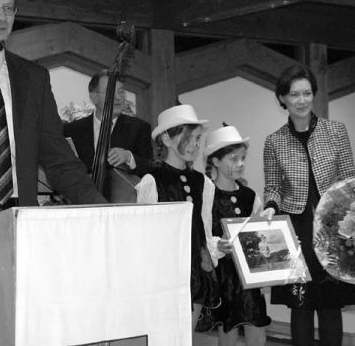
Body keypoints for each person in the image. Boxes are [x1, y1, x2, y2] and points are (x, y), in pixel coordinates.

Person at [0, 0, 106, 226]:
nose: (2, 17)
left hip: (22, 224)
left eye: (8, 8)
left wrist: (102, 208)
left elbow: (58, 158)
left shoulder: (34, 77)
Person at [262, 64, 355, 346]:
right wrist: (270, 206)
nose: (301, 100)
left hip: (334, 226)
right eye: (294, 94)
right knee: (300, 304)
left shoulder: (335, 131)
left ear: (313, 94)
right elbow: (273, 186)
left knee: (330, 304)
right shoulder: (274, 141)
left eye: (306, 93)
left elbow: (349, 179)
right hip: (296, 228)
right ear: (282, 98)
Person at [135, 104, 219, 335]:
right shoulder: (152, 180)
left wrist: (215, 250)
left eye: (198, 138)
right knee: (165, 335)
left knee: (185, 336)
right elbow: (145, 236)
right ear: (167, 139)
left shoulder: (204, 183)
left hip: (195, 271)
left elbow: (205, 228)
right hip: (165, 272)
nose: (195, 144)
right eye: (188, 137)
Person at [204, 125, 270, 346]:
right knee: (228, 331)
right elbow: (201, 234)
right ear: (215, 161)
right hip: (223, 277)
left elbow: (260, 232)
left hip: (249, 276)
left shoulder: (250, 196)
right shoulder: (207, 195)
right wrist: (216, 247)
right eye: (233, 158)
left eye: (243, 158)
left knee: (257, 327)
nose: (240, 163)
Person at [64, 69, 153, 177]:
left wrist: (129, 157)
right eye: (110, 92)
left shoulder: (139, 128)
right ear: (94, 97)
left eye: (121, 92)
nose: (118, 97)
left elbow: (150, 169)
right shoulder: (72, 130)